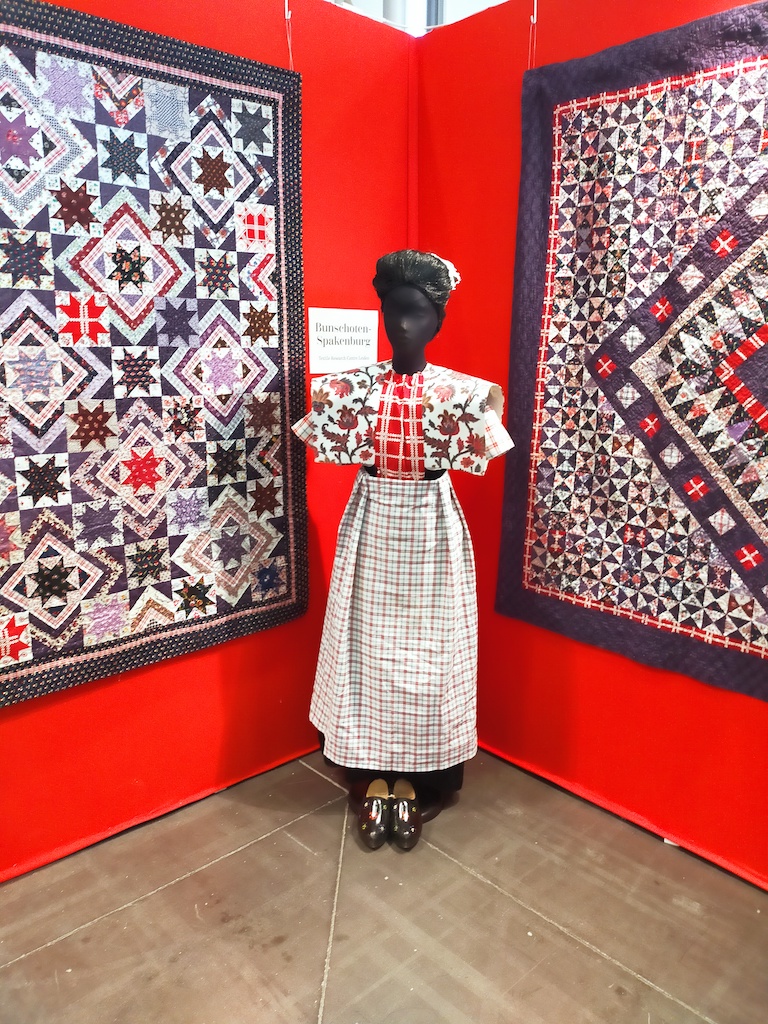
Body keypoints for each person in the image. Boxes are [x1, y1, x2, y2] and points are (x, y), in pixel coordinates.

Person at [293, 250, 513, 850]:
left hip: (431, 524)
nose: (402, 326)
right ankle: (371, 774)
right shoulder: (349, 390)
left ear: (438, 319)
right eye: (392, 312)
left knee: (432, 649)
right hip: (370, 520)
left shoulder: (463, 395)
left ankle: (422, 777)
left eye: (416, 313)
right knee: (364, 643)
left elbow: (485, 449)